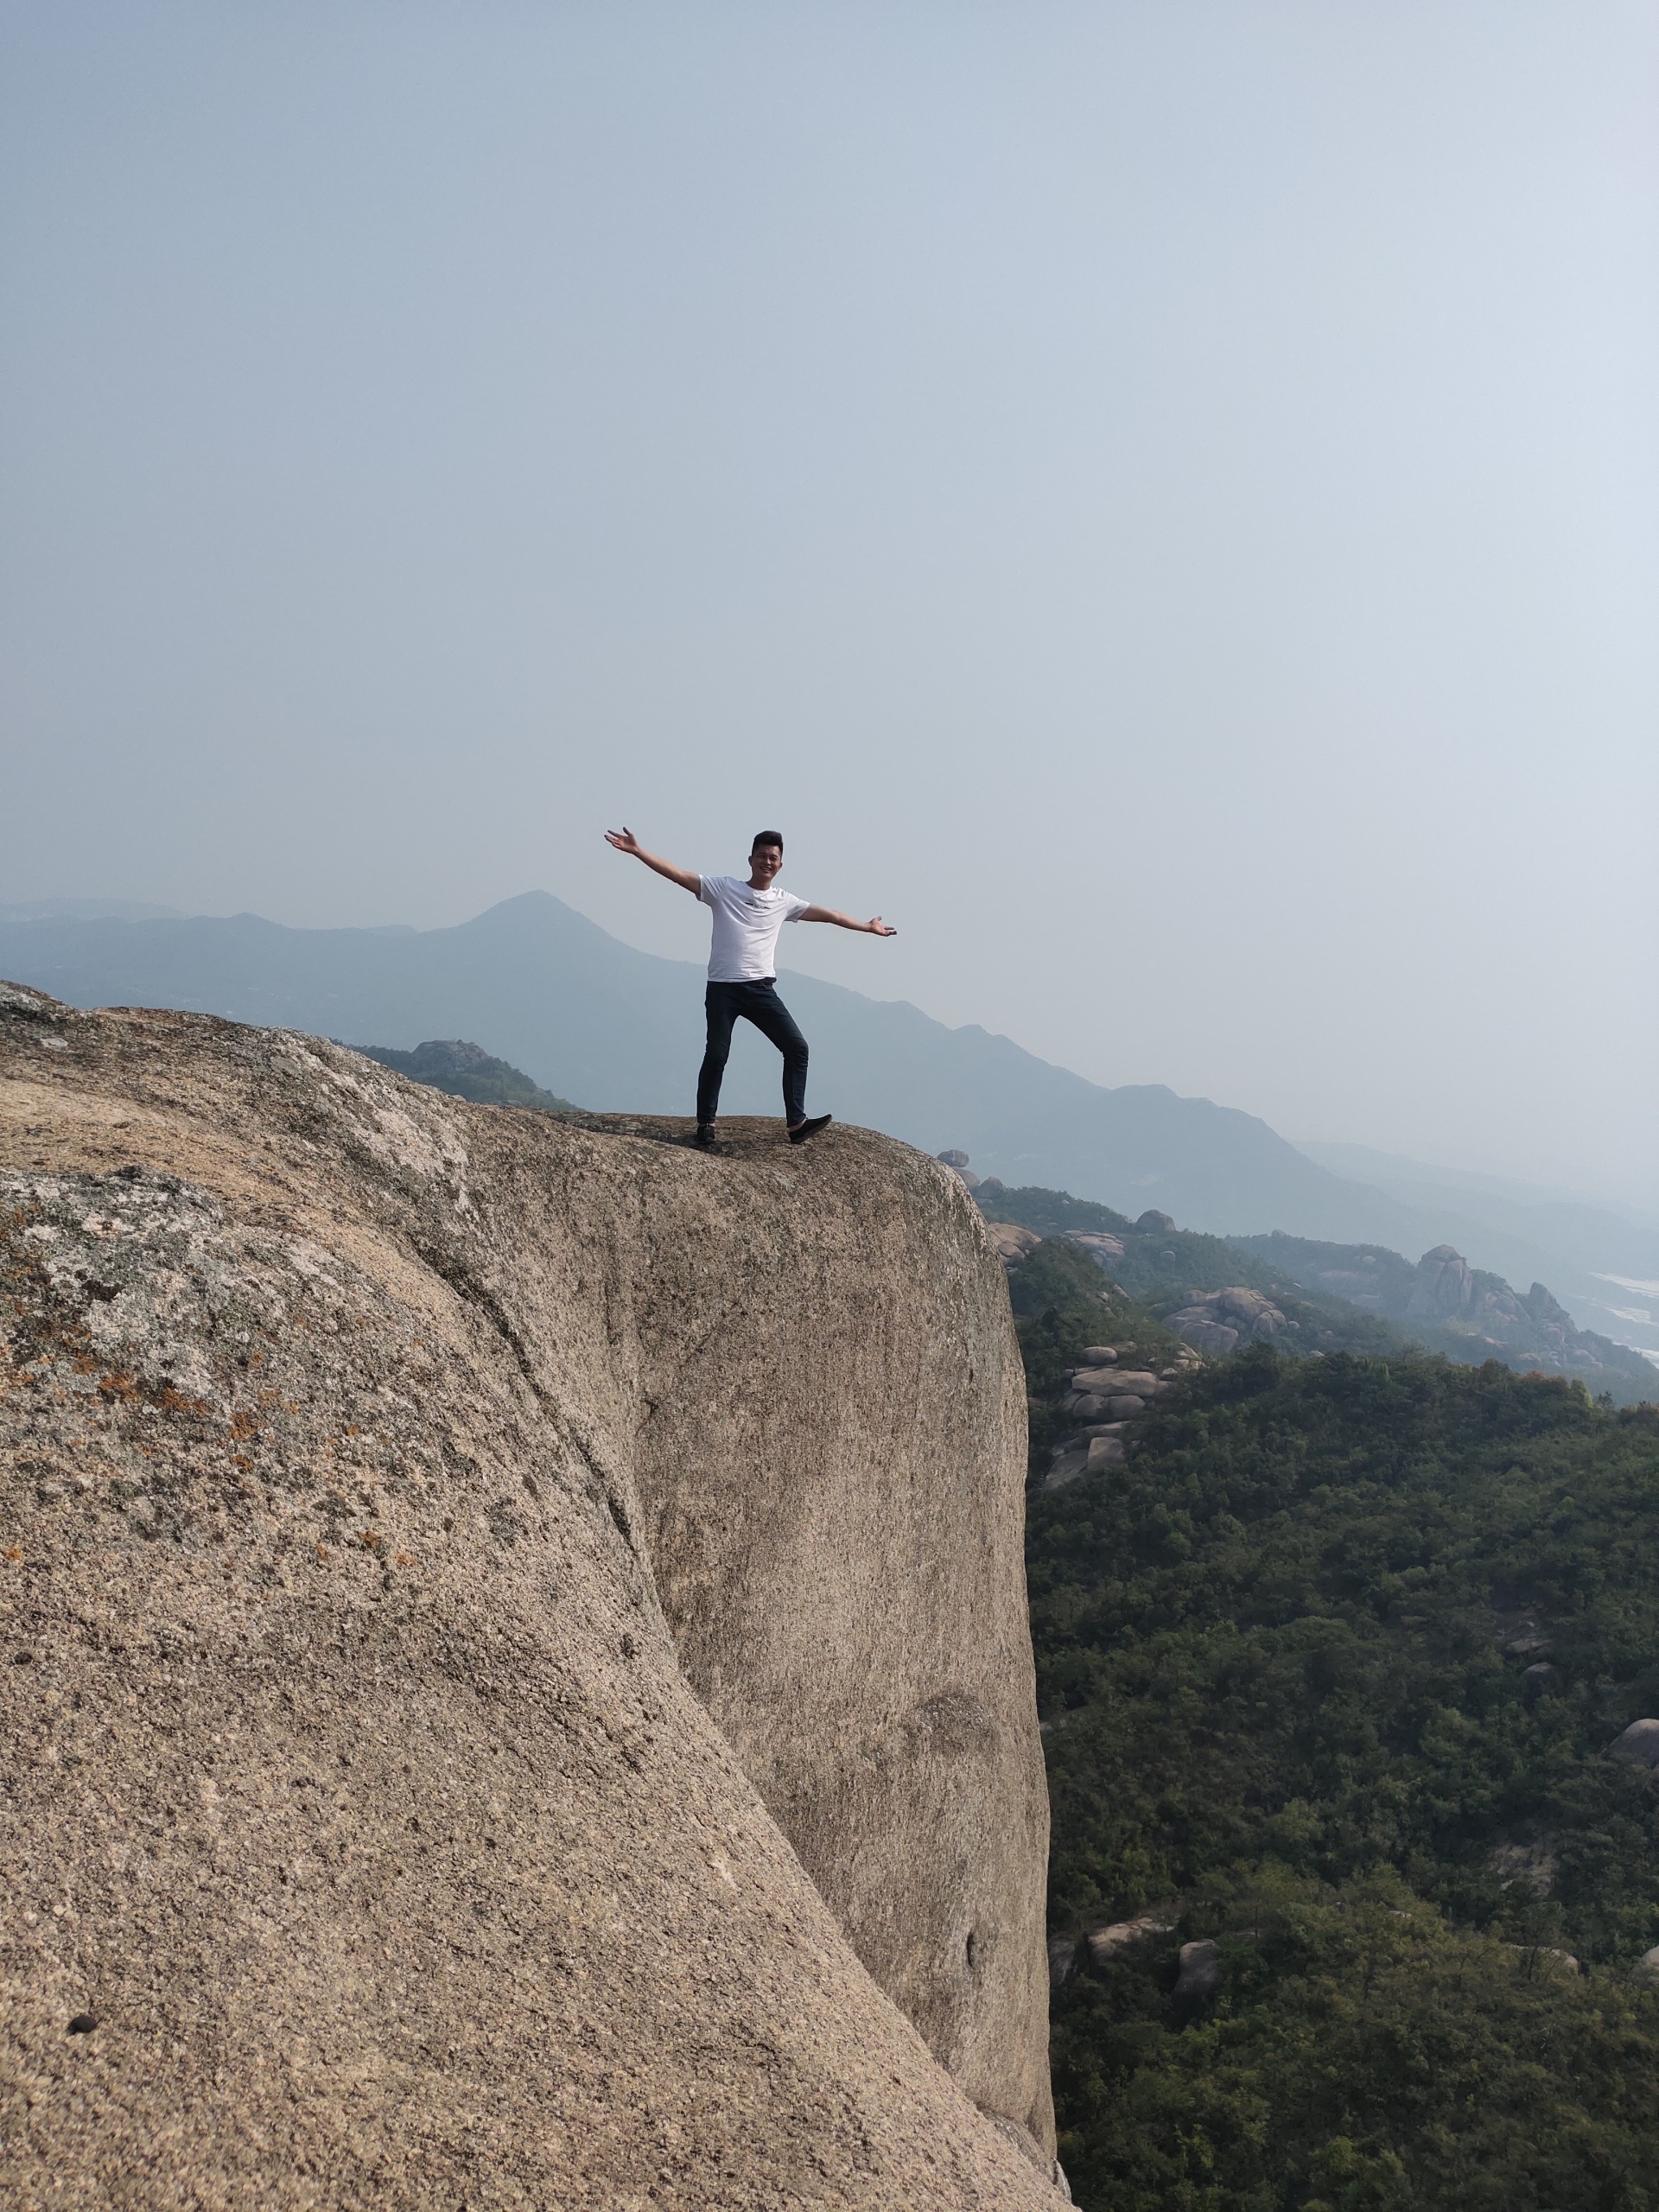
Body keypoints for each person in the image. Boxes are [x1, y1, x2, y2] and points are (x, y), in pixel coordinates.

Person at [603, 826, 895, 1147]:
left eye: (773, 858)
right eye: (762, 856)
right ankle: (705, 1123)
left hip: (761, 990)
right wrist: (638, 851)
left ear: (780, 865)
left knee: (797, 1048)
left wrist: (867, 926)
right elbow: (678, 875)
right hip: (723, 989)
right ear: (751, 859)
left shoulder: (784, 901)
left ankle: (797, 1123)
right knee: (717, 1054)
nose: (767, 862)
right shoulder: (723, 889)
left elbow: (830, 915)